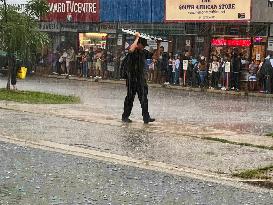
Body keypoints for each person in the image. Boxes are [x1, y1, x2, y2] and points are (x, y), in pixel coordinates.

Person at [122, 32, 160, 124]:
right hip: (131, 78)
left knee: (144, 98)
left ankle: (146, 118)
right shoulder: (133, 51)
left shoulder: (143, 52)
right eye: (142, 45)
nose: (143, 47)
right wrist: (137, 38)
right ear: (138, 44)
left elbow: (156, 57)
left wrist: (159, 45)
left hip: (140, 78)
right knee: (130, 98)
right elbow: (131, 49)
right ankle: (125, 117)